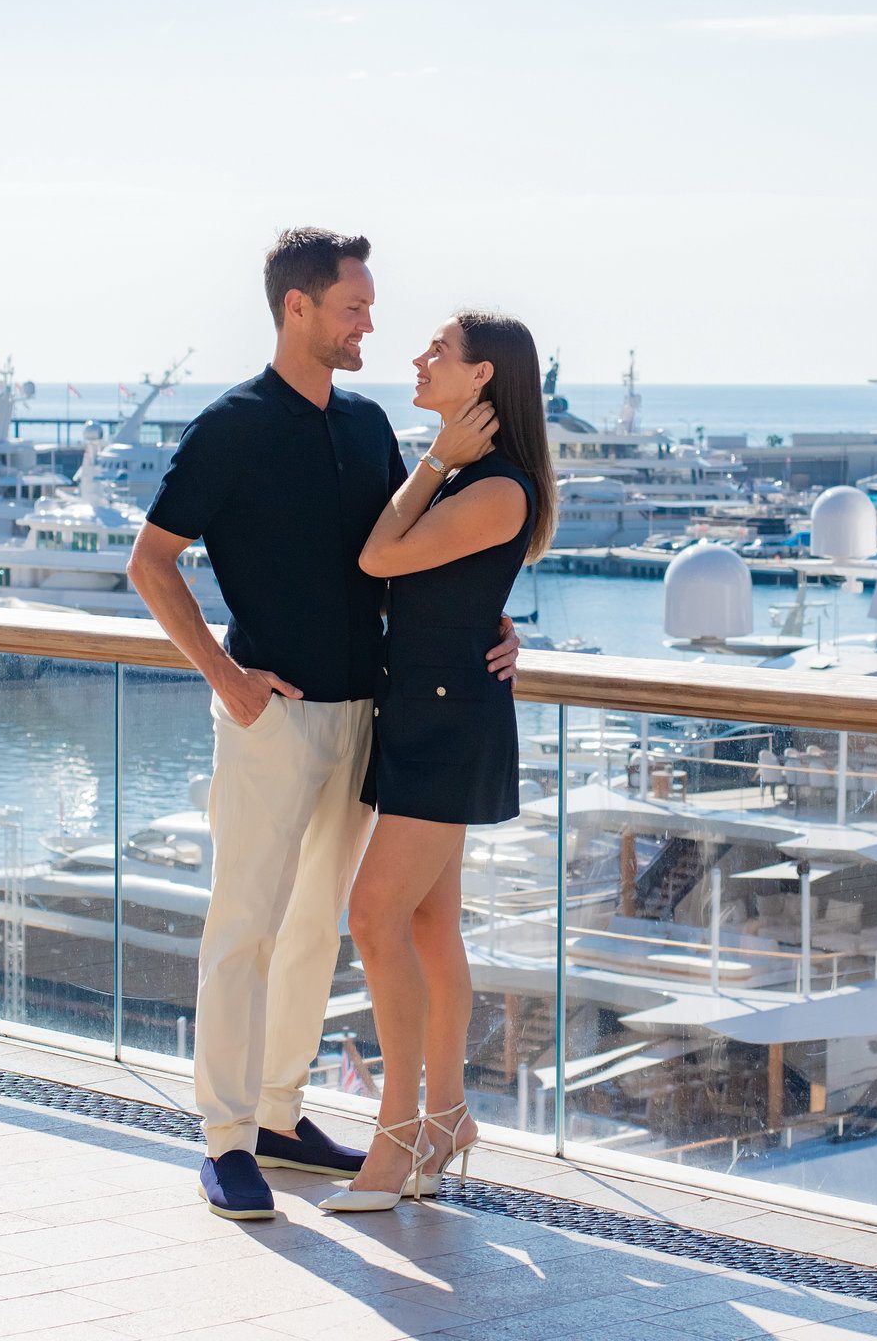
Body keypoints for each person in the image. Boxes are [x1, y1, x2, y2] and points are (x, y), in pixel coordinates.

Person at [127, 231, 520, 1221]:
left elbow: (406, 551)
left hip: (368, 717)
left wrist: (493, 620)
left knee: (316, 931)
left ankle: (277, 1113)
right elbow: (152, 561)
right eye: (354, 307)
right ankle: (223, 1137)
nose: (370, 325)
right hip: (270, 713)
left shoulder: (366, 423)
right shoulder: (229, 426)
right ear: (298, 308)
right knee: (244, 927)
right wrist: (226, 676)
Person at [319, 309, 556, 1213]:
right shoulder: (477, 481)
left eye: (437, 351)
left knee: (373, 918)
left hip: (449, 724)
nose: (416, 359)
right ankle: (449, 1115)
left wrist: (432, 460)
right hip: (422, 712)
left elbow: (381, 555)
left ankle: (396, 1136)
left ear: (483, 379)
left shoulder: (492, 486)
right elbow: (438, 593)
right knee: (424, 929)